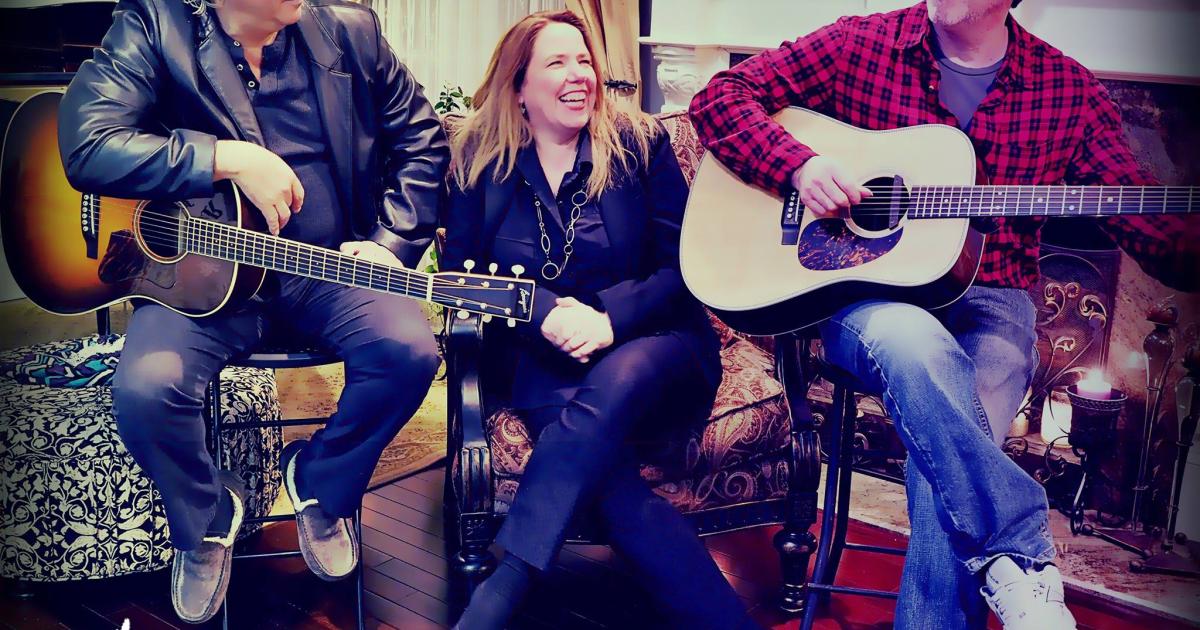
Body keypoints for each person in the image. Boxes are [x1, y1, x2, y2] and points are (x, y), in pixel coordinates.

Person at [688, 1, 1197, 628]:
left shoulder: (1068, 90)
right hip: (870, 302)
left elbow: (1145, 220)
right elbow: (720, 97)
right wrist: (800, 165)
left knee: (951, 449)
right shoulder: (861, 42)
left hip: (994, 301)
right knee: (921, 352)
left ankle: (1003, 575)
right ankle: (1019, 556)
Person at [58, 0, 447, 622]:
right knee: (145, 390)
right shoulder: (155, 23)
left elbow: (423, 141)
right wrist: (226, 158)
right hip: (197, 281)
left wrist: (391, 241)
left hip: (327, 270)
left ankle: (322, 484)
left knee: (408, 352)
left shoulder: (351, 33)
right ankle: (205, 518)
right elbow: (87, 144)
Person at [441, 11, 758, 630]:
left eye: (584, 60)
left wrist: (610, 319)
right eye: (557, 62)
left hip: (657, 346)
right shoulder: (481, 160)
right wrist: (541, 313)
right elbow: (458, 277)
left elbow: (685, 267)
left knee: (620, 374)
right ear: (519, 87)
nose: (579, 75)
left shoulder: (640, 145)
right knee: (612, 486)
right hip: (545, 360)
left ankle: (507, 581)